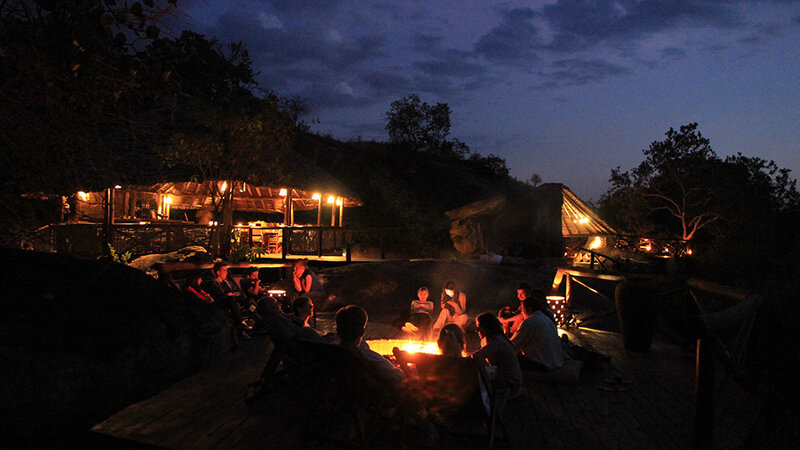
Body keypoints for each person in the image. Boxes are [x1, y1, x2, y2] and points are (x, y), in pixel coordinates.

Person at [336, 305, 404, 384]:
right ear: (362, 332)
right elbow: (399, 376)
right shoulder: (368, 357)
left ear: (337, 330)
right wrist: (399, 363)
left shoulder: (330, 351)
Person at [511, 297, 565, 372]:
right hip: (555, 362)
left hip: (542, 365)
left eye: (522, 309)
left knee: (507, 359)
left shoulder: (530, 322)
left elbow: (513, 345)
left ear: (528, 309)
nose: (520, 311)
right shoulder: (546, 319)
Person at [472, 313, 522, 392]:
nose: (477, 330)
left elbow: (476, 357)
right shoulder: (494, 339)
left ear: (487, 328)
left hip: (510, 382)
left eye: (479, 327)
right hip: (504, 376)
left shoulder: (496, 342)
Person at [206, 262, 250, 340]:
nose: (226, 273)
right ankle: (240, 323)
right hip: (222, 303)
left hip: (231, 299)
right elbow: (220, 295)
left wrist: (233, 294)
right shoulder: (214, 283)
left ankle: (253, 321)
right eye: (224, 270)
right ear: (218, 272)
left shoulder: (226, 282)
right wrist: (229, 295)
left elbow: (233, 291)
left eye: (226, 270)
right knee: (232, 300)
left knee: (245, 300)